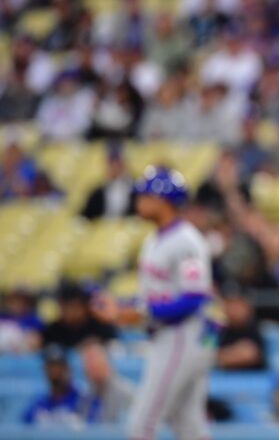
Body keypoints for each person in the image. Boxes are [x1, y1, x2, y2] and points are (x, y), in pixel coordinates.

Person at [91, 166, 216, 440]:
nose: (140, 201)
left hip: (182, 335)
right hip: (171, 336)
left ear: (163, 200)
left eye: (145, 195)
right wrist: (121, 305)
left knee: (141, 424)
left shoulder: (186, 240)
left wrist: (136, 312)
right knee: (189, 428)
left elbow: (194, 299)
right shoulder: (153, 239)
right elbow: (154, 296)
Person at [22, 344, 85, 427]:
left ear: (67, 368)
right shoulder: (39, 402)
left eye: (58, 366)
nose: (53, 371)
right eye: (50, 366)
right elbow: (23, 428)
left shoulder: (82, 400)